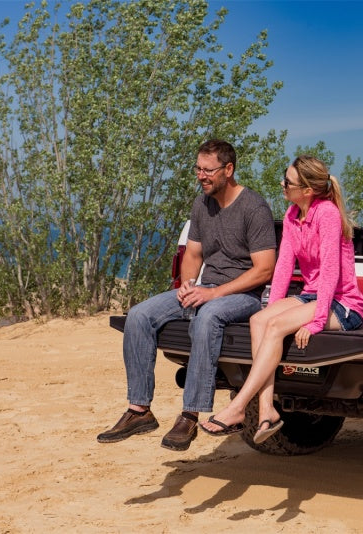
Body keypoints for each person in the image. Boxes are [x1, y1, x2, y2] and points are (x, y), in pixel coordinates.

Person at [97, 139, 277, 451]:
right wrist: (187, 283)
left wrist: (214, 294)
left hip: (243, 295)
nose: (201, 176)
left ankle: (189, 415)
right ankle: (139, 410)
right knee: (139, 316)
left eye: (208, 170)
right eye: (198, 168)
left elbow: (264, 270)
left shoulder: (254, 207)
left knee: (207, 316)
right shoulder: (201, 204)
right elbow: (192, 253)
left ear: (229, 169)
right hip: (206, 288)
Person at [200, 155, 363, 443]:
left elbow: (330, 272)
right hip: (311, 295)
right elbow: (284, 268)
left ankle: (240, 406)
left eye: (287, 182)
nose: (282, 184)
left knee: (276, 328)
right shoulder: (292, 215)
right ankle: (267, 410)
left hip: (343, 304)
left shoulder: (326, 214)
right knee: (260, 320)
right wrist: (272, 306)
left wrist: (315, 322)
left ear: (307, 190)